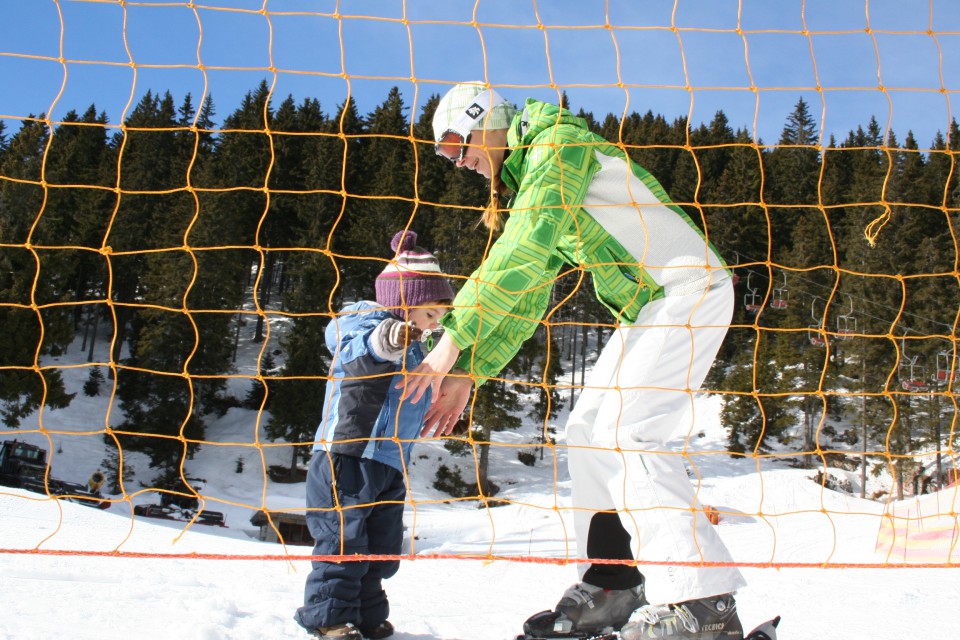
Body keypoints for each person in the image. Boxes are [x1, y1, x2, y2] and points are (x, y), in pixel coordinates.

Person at [400, 82, 747, 639]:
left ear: (480, 121)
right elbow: (530, 287)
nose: (456, 162)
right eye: (446, 155)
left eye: (452, 145)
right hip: (651, 308)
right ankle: (614, 582)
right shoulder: (537, 175)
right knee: (587, 432)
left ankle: (704, 601)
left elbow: (524, 246)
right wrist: (471, 369)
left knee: (630, 433)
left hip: (688, 288)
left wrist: (452, 341)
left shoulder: (558, 149)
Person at [294, 230, 455, 640]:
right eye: (431, 312)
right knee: (343, 541)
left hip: (388, 462)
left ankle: (364, 614)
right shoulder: (365, 322)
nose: (435, 323)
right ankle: (330, 618)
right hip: (347, 454)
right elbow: (352, 350)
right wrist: (385, 339)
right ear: (405, 302)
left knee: (379, 549)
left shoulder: (421, 349)